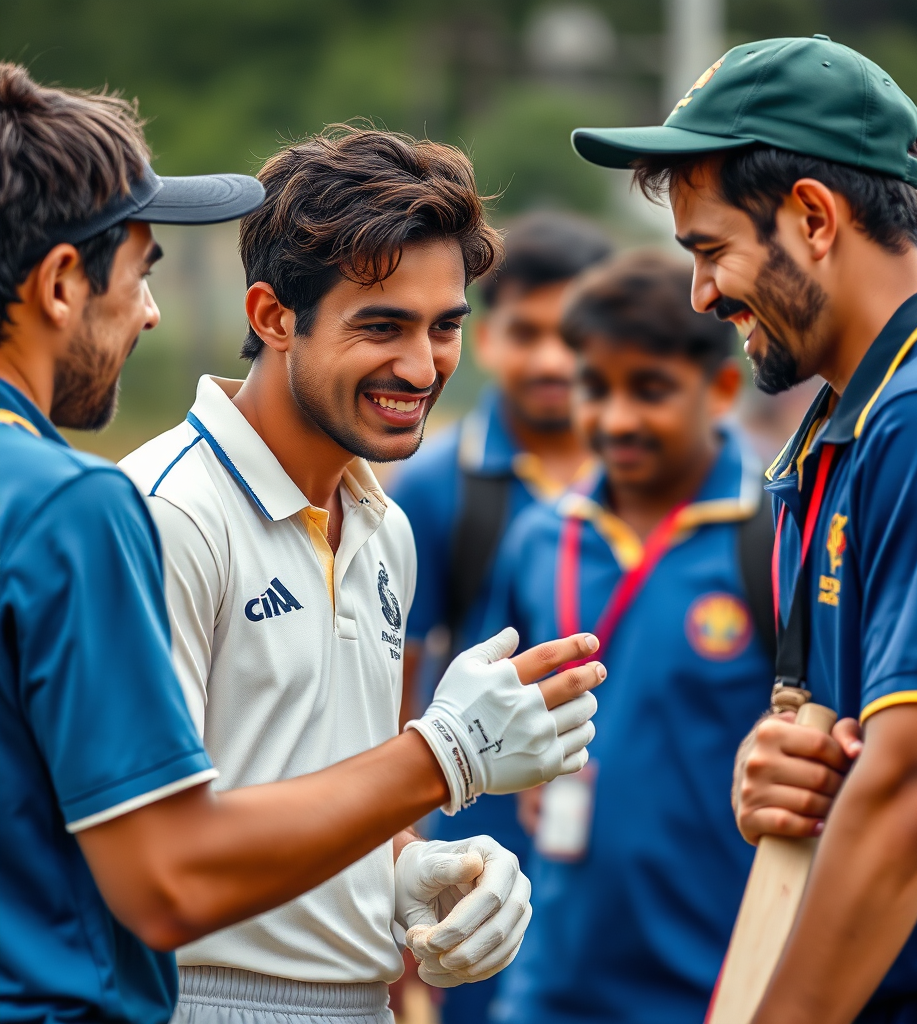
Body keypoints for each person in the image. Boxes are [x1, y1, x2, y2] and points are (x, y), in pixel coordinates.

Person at [0, 65, 601, 1024]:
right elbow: (155, 863)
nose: (422, 365)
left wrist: (403, 873)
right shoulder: (161, 511)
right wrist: (443, 753)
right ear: (274, 318)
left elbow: (297, 791)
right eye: (381, 327)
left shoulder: (386, 527)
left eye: (446, 328)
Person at [572, 33, 917, 1024]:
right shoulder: (847, 425)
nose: (700, 294)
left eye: (710, 250)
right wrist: (774, 773)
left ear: (813, 219)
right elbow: (866, 751)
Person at [488, 250, 778, 1024]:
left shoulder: (775, 537)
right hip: (551, 983)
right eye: (596, 388)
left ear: (720, 389)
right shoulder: (539, 538)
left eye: (649, 390)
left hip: (719, 983)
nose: (615, 419)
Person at [387, 212, 611, 1023]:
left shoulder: (663, 474)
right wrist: (397, 874)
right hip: (484, 866)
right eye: (527, 332)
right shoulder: (435, 485)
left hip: (635, 868)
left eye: (575, 334)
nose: (554, 359)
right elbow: (395, 693)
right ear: (486, 340)